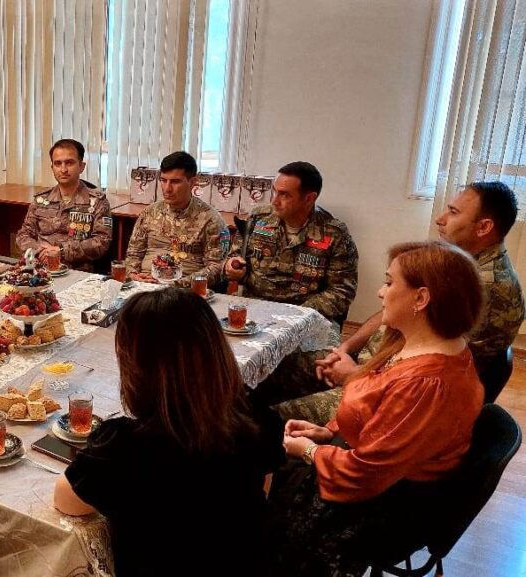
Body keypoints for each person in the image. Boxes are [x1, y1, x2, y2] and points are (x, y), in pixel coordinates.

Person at [270, 241, 484, 577]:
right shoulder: (417, 346)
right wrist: (328, 431)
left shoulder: (427, 383)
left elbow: (366, 474)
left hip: (381, 505)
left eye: (389, 282)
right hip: (371, 472)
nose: (380, 292)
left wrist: (310, 451)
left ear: (420, 299)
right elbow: (378, 412)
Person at [53, 288, 285, 577]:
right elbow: (262, 490)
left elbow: (67, 502)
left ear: (136, 367)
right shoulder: (258, 417)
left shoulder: (125, 447)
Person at [281, 182, 524, 424]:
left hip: (388, 399)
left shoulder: (481, 289)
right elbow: (392, 312)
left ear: (484, 227)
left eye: (453, 212)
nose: (440, 219)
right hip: (370, 369)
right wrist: (345, 349)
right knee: (279, 366)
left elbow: (424, 375)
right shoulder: (458, 265)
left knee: (273, 418)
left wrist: (353, 375)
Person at [223, 161, 358, 328]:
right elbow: (234, 257)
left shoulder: (334, 234)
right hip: (255, 309)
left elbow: (342, 291)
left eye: (284, 195)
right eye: (274, 191)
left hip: (306, 316)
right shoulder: (258, 218)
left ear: (309, 198)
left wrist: (297, 315)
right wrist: (233, 267)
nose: (274, 201)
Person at [124, 151, 229, 285]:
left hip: (184, 289)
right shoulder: (149, 213)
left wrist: (176, 284)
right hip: (144, 285)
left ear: (192, 182)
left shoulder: (211, 220)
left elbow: (217, 268)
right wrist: (133, 275)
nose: (167, 188)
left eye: (175, 182)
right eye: (163, 180)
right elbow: (133, 254)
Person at [15, 139, 113, 271]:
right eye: (57, 163)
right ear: (52, 168)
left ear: (81, 166)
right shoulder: (41, 200)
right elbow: (23, 235)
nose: (63, 169)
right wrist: (40, 250)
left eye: (69, 163)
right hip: (40, 269)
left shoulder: (97, 202)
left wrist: (61, 251)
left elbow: (102, 242)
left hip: (76, 272)